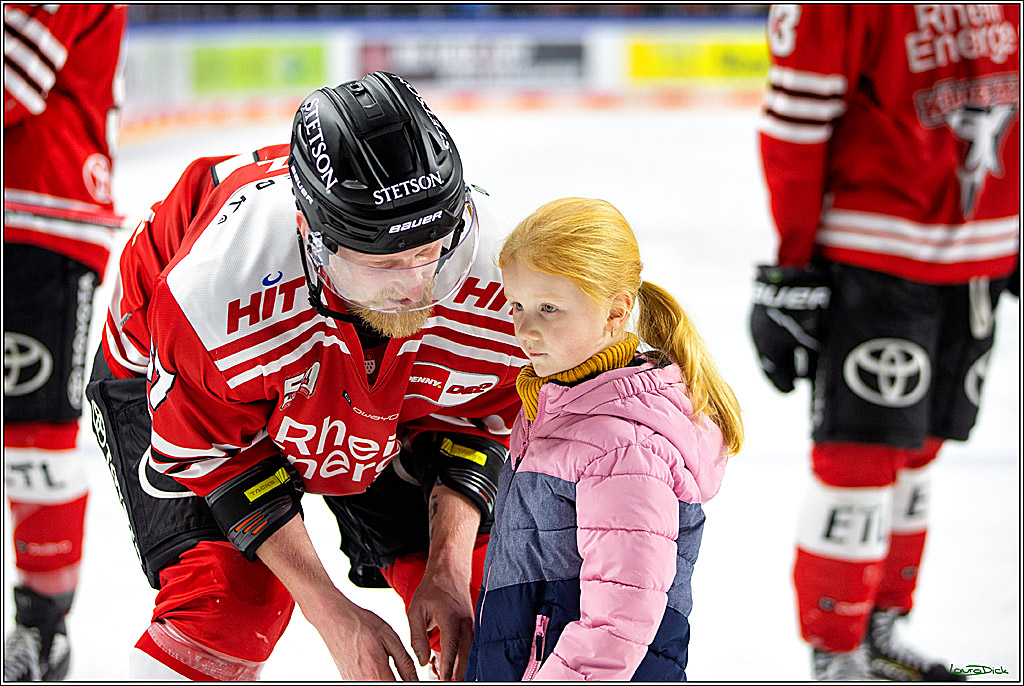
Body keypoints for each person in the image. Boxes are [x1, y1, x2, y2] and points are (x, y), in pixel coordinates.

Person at [84, 71, 527, 680]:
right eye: (384, 263)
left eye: (431, 253)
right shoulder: (213, 292)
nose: (415, 285)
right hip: (195, 381)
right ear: (312, 239)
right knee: (229, 607)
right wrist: (332, 614)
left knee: (491, 598)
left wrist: (446, 569)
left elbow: (480, 413)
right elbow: (213, 452)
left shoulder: (498, 269)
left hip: (324, 368)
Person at [751, 4, 1019, 681]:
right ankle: (836, 653)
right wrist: (793, 266)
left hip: (981, 255)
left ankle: (881, 630)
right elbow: (796, 123)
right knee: (859, 464)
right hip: (876, 261)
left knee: (920, 453)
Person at [464, 197, 744, 681]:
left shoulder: (620, 446)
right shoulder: (559, 407)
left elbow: (619, 621)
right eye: (518, 306)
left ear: (616, 313)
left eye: (549, 309)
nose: (525, 329)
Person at [4, 4, 127, 681]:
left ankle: (41, 628)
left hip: (37, 216)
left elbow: (12, 82)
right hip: (29, 214)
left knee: (32, 436)